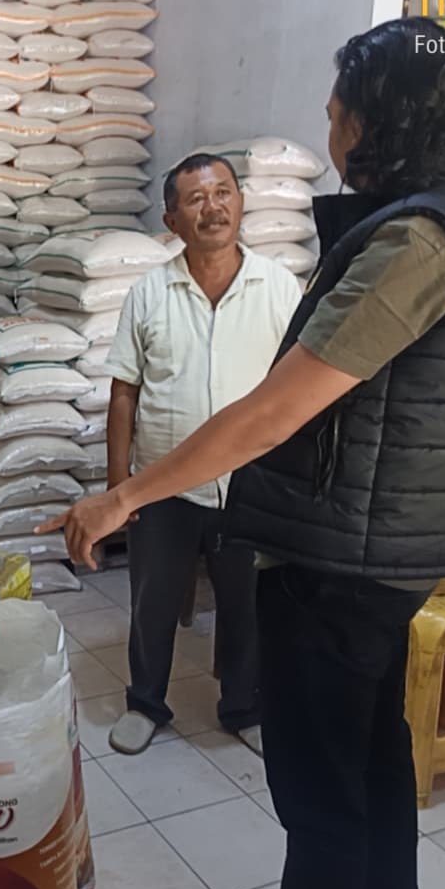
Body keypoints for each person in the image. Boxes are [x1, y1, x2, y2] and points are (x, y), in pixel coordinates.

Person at [40, 16, 445, 889]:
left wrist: (122, 497)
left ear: (379, 121)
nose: (330, 132)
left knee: (323, 790)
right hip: (390, 547)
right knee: (371, 760)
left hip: (347, 557)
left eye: (338, 114)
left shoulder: (418, 242)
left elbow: (274, 412)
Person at [105, 153, 302, 755]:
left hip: (251, 483)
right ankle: (145, 703)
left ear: (240, 203)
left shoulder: (279, 287)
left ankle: (244, 706)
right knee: (152, 602)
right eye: (196, 199)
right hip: (164, 483)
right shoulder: (149, 292)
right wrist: (119, 489)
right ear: (172, 220)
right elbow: (124, 392)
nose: (212, 208)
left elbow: (298, 388)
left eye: (223, 194)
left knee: (247, 603)